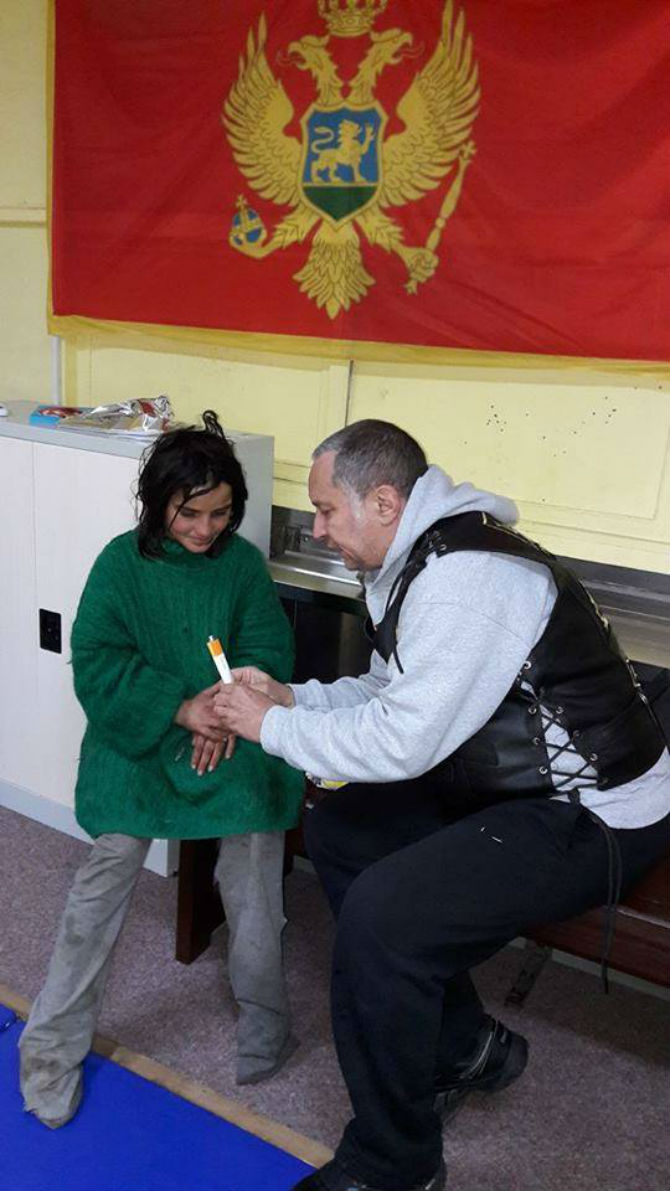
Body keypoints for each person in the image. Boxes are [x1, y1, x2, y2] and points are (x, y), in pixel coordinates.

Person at [214, 419, 670, 1191]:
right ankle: (465, 1047)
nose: (317, 529)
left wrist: (271, 726)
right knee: (343, 827)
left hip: (597, 810)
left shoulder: (467, 581)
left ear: (384, 502)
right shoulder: (419, 557)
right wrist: (293, 697)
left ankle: (397, 1164)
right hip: (509, 784)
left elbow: (401, 741)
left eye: (325, 510)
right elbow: (392, 691)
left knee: (383, 920)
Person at [19, 410, 304, 1128]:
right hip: (141, 739)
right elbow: (98, 661)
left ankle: (267, 1022)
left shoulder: (240, 565)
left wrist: (228, 710)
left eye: (221, 512)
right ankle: (48, 1052)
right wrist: (179, 710)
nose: (206, 528)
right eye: (190, 512)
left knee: (254, 867)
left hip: (228, 737)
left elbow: (267, 650)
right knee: (100, 886)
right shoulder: (120, 563)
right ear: (157, 502)